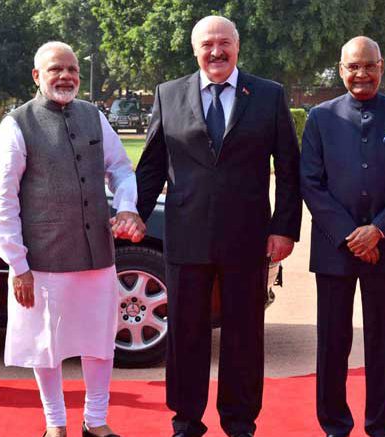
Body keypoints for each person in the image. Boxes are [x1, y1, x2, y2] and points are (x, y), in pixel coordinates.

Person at [135, 15, 302, 437]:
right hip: (186, 235)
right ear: (195, 50)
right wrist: (132, 213)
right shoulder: (168, 95)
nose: (216, 51)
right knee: (187, 333)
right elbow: (152, 166)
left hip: (248, 238)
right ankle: (186, 419)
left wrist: (285, 228)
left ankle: (240, 421)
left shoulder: (268, 95)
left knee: (244, 336)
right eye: (207, 44)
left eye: (224, 43)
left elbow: (288, 167)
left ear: (237, 47)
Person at [0, 41, 145, 437]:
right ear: (37, 76)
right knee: (46, 343)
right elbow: (4, 198)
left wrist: (126, 206)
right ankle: (54, 423)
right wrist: (17, 264)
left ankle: (95, 421)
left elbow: (121, 169)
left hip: (97, 254)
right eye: (56, 69)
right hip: (43, 258)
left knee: (99, 340)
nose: (66, 76)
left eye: (72, 69)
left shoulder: (94, 117)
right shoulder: (17, 123)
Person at [300, 36, 385, 437]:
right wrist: (351, 237)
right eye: (353, 67)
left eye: (369, 66)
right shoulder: (320, 118)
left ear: (381, 66)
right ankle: (334, 426)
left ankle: (380, 426)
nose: (361, 74)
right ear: (341, 70)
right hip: (335, 251)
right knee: (332, 344)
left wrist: (379, 232)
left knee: (383, 346)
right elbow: (312, 184)